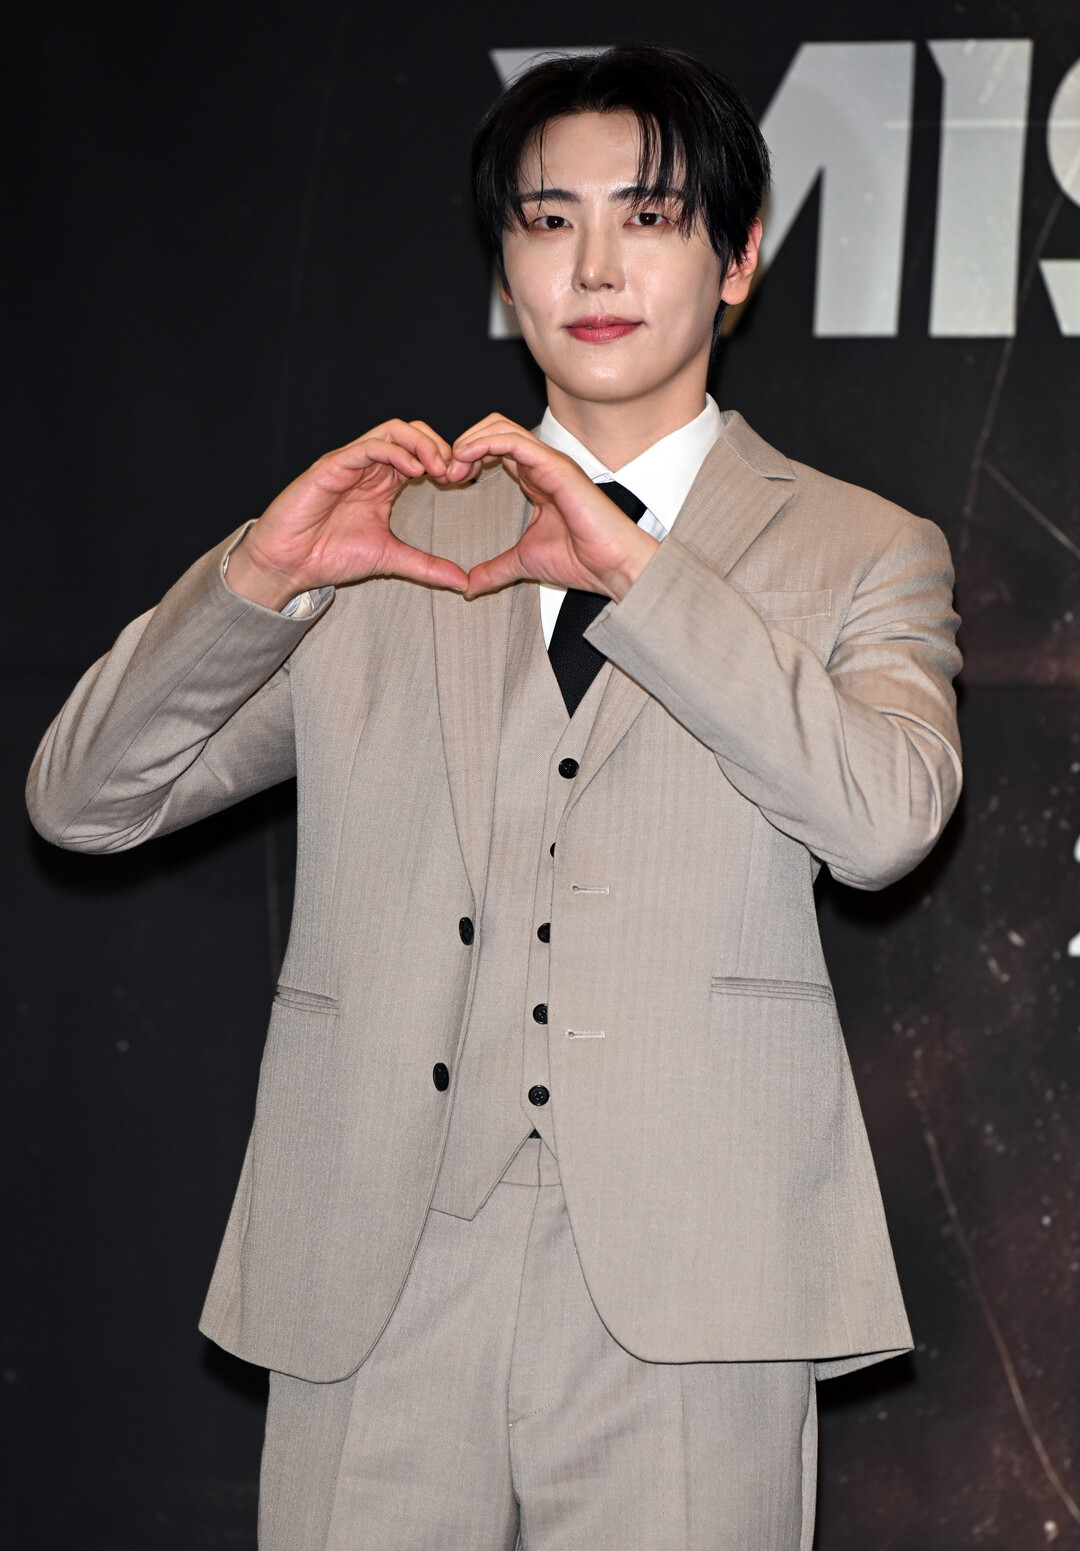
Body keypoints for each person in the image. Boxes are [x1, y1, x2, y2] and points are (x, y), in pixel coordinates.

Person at [27, 42, 962, 1551]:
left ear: (736, 260)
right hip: (378, 1263)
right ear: (505, 265)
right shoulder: (379, 533)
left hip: (697, 1279)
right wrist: (259, 576)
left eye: (649, 216)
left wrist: (640, 576)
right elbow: (84, 802)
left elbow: (886, 822)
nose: (594, 265)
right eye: (547, 219)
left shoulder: (865, 548)